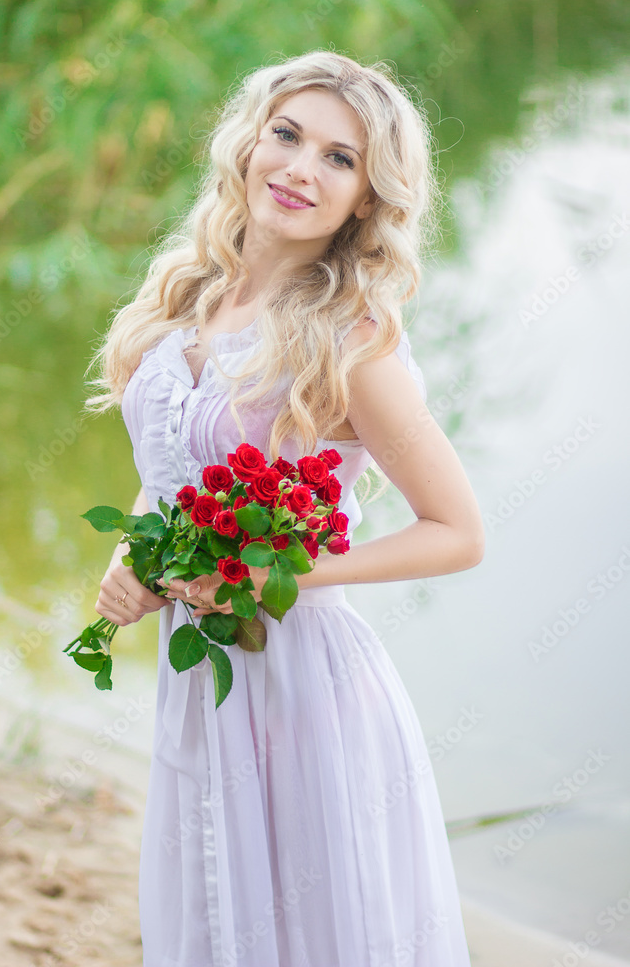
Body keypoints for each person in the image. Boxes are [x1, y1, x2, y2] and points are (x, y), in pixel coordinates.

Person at [87, 49, 484, 967]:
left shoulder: (355, 340)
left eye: (339, 159)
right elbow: (173, 466)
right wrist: (137, 554)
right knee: (216, 908)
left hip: (305, 685)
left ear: (365, 199)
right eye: (288, 135)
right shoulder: (183, 297)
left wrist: (272, 572)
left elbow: (457, 532)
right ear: (249, 143)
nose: (302, 169)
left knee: (309, 930)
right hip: (198, 679)